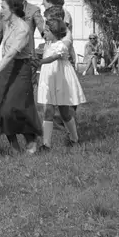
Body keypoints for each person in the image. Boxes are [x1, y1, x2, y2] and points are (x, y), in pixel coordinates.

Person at [0, 0, 43, 154]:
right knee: (0, 104)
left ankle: (31, 140)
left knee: (17, 107)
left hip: (21, 69)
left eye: (3, 8)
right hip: (7, 69)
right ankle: (14, 147)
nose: (0, 11)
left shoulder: (23, 28)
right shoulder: (6, 23)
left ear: (13, 9)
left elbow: (10, 55)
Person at [36, 20, 85, 148]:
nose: (44, 32)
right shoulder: (47, 45)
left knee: (64, 112)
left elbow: (53, 58)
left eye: (46, 31)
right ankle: (46, 144)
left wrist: (40, 62)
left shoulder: (61, 46)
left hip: (61, 80)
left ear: (54, 32)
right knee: (48, 110)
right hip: (50, 79)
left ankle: (74, 138)